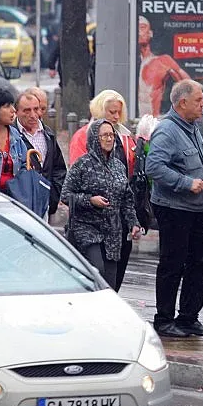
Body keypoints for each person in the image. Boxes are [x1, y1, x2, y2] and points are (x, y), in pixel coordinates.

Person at [146, 80, 203, 338]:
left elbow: (196, 162)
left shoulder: (192, 127)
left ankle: (188, 318)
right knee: (172, 263)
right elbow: (154, 167)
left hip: (196, 208)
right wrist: (186, 183)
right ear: (182, 103)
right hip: (174, 208)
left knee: (200, 260)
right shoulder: (167, 130)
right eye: (199, 100)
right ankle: (164, 320)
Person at [69, 90, 139, 290]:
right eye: (111, 112)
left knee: (114, 271)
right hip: (90, 218)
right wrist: (90, 199)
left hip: (117, 217)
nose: (116, 117)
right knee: (95, 269)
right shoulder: (83, 135)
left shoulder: (125, 137)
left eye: (119, 112)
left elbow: (129, 177)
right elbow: (74, 180)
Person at [15, 91, 67, 218]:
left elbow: (59, 169)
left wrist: (52, 197)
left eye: (36, 109)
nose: (33, 115)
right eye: (27, 110)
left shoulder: (48, 134)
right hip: (19, 205)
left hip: (45, 204)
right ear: (16, 112)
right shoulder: (12, 135)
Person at [137, 15, 191, 117]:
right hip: (134, 121)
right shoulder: (129, 65)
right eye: (136, 28)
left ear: (150, 33)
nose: (139, 32)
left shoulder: (162, 61)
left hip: (154, 120)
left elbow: (191, 87)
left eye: (142, 27)